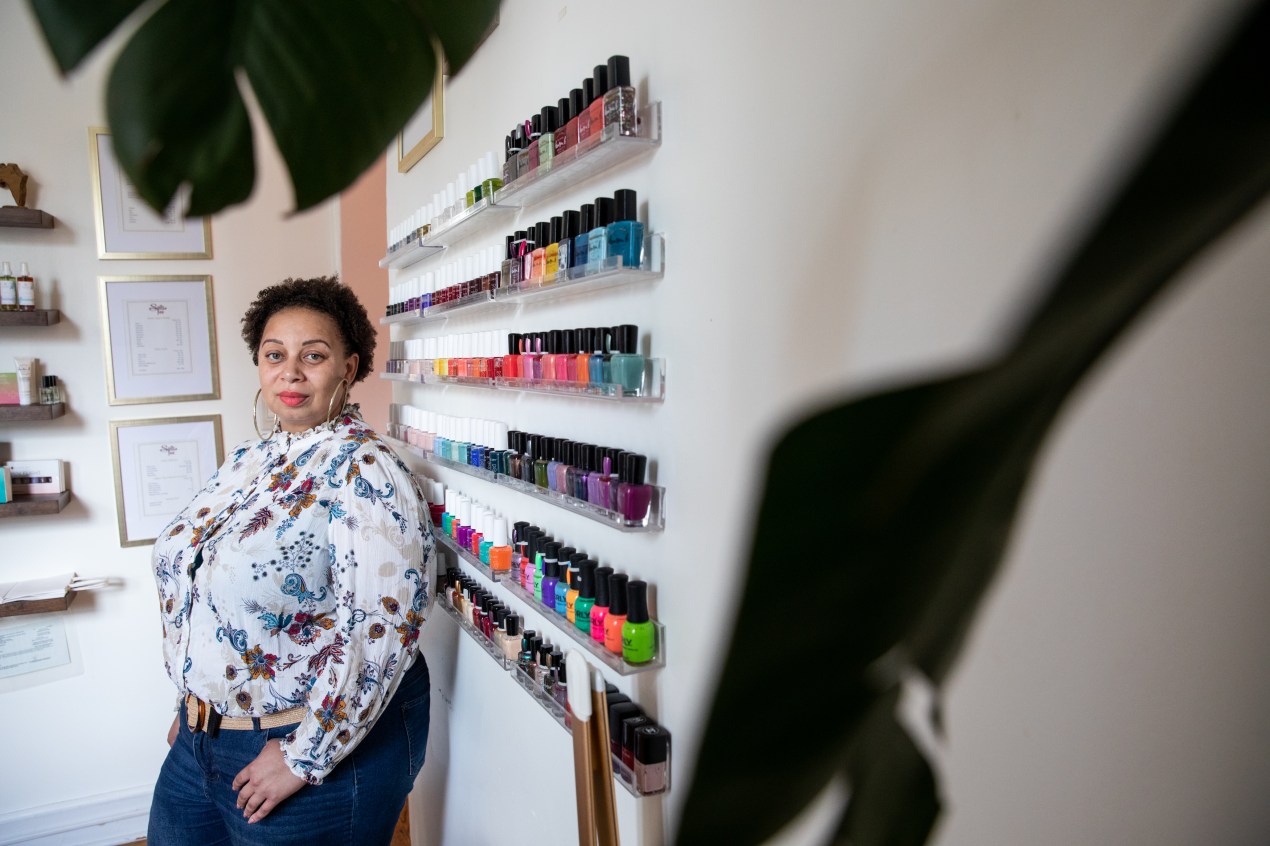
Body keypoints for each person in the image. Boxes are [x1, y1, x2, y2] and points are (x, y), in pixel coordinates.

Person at [147, 276, 435, 845]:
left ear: (349, 368)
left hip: (299, 748)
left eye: (314, 355)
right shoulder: (247, 461)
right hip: (202, 738)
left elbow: (380, 631)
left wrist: (305, 756)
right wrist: (195, 702)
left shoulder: (365, 470)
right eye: (275, 355)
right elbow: (195, 585)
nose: (291, 372)